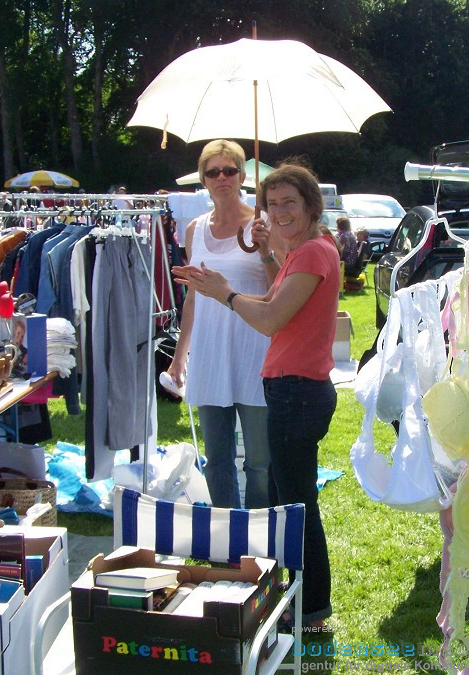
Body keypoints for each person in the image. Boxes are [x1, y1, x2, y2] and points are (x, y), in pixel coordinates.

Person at [173, 162, 341, 630]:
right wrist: (267, 252)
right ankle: (301, 600)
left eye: (291, 202)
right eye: (273, 203)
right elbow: (272, 301)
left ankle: (309, 611)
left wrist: (224, 293)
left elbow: (268, 319)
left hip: (296, 393)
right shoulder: (304, 250)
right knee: (294, 501)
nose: (281, 211)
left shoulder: (312, 253)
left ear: (311, 205)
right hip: (293, 389)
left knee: (297, 507)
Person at [166, 139, 278, 510]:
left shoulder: (263, 226)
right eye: (212, 172)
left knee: (260, 463)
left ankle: (261, 536)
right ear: (204, 179)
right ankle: (228, 535)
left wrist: (266, 251)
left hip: (254, 351)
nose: (222, 178)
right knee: (217, 461)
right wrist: (179, 356)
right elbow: (193, 299)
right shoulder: (194, 230)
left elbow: (280, 289)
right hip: (210, 353)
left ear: (244, 176)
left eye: (229, 170)